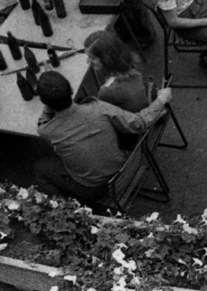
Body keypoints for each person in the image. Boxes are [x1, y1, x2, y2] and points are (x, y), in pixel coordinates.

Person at [33, 69, 172, 203]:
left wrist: (48, 102)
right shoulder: (99, 108)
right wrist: (160, 100)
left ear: (45, 103)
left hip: (94, 189)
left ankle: (65, 207)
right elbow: (139, 122)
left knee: (40, 167)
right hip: (123, 169)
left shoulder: (47, 130)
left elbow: (43, 120)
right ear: (70, 91)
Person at [82, 31, 151, 113]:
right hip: (142, 111)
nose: (88, 61)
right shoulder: (132, 64)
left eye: (92, 58)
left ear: (106, 59)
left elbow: (104, 114)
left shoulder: (107, 91)